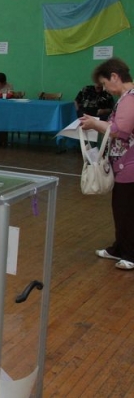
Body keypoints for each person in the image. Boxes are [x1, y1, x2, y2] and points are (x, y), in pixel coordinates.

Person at [79, 57, 134, 270]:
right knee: (121, 208)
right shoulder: (125, 98)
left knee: (126, 210)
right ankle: (119, 248)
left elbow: (120, 130)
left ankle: (130, 253)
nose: (104, 89)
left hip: (130, 165)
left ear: (114, 76)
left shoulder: (130, 98)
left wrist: (95, 123)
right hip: (124, 164)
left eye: (104, 83)